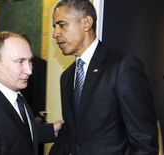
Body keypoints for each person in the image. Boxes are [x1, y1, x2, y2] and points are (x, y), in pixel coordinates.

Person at [49, 0, 158, 154]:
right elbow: (70, 132)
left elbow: (144, 139)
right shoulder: (67, 77)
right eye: (54, 27)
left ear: (87, 23)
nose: (55, 33)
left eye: (62, 25)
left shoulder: (122, 66)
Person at [0, 31, 62, 155]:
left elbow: (17, 133)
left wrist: (53, 130)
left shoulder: (16, 95)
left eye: (30, 61)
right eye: (20, 61)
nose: (29, 70)